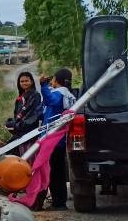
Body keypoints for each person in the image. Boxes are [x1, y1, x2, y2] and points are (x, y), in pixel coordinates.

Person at [38, 68, 77, 210]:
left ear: (57, 80)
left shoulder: (60, 94)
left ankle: (58, 202)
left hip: (52, 138)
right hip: (59, 139)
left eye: (53, 78)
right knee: (58, 170)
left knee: (52, 171)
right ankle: (59, 201)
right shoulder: (68, 95)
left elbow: (50, 101)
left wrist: (43, 86)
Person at [7, 70, 42, 141]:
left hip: (29, 130)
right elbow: (17, 113)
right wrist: (14, 122)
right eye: (22, 81)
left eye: (26, 81)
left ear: (31, 82)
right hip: (21, 128)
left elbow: (32, 115)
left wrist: (18, 125)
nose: (24, 83)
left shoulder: (35, 95)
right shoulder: (20, 97)